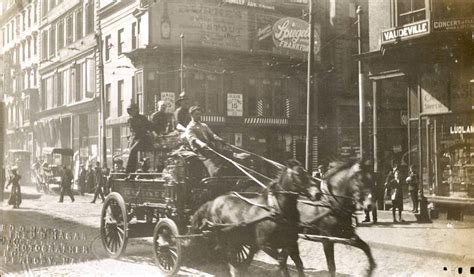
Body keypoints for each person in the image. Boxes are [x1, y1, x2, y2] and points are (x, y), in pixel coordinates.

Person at [185, 106, 228, 177]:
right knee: (212, 164)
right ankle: (214, 174)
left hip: (210, 148)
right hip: (200, 151)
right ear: (191, 115)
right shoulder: (190, 127)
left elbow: (212, 135)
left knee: (226, 156)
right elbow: (193, 139)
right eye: (196, 114)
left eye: (199, 114)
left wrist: (219, 139)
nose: (199, 116)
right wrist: (201, 144)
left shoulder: (204, 125)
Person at [126, 103, 155, 173]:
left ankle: (129, 170)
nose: (132, 112)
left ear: (136, 110)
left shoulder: (142, 118)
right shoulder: (130, 120)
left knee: (133, 150)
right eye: (130, 110)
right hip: (135, 138)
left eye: (133, 110)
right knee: (131, 151)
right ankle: (131, 171)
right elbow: (133, 132)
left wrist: (151, 131)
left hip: (143, 138)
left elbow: (150, 127)